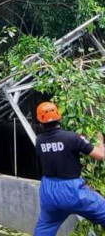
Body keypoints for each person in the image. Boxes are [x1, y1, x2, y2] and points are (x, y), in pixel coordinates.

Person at [34, 101, 105, 235]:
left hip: (48, 190)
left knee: (45, 227)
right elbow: (100, 155)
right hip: (72, 190)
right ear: (59, 117)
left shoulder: (39, 140)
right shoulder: (72, 137)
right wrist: (100, 141)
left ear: (40, 122)